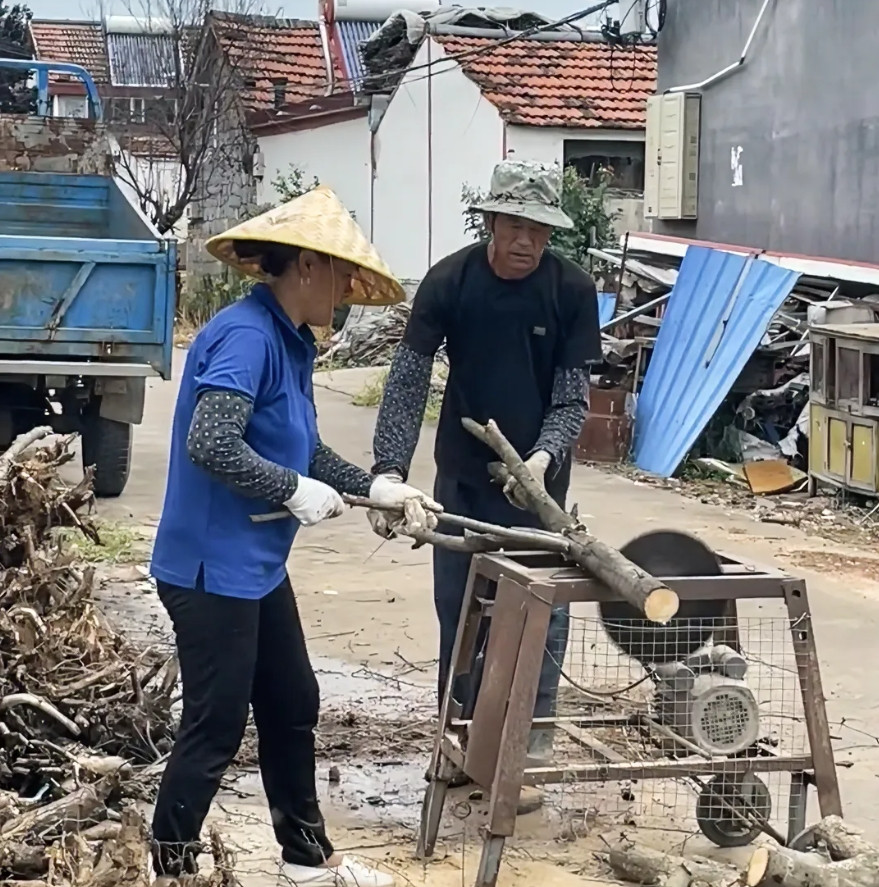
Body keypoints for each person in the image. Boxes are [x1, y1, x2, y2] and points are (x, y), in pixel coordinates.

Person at [149, 187, 437, 887]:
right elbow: (209, 441)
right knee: (217, 720)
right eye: (339, 277)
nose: (344, 293)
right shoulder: (247, 336)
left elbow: (304, 448)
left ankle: (305, 856)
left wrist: (377, 487)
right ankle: (172, 867)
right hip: (208, 565)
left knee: (290, 698)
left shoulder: (290, 342)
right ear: (306, 267)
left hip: (254, 563)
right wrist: (287, 489)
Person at [370, 159, 602, 792]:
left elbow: (571, 398)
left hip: (539, 494)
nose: (527, 240)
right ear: (492, 220)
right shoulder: (451, 281)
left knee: (537, 614)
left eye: (540, 229)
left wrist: (543, 459)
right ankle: (457, 741)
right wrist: (387, 471)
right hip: (464, 483)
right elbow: (408, 380)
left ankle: (527, 753)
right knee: (462, 610)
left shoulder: (571, 292)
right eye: (515, 225)